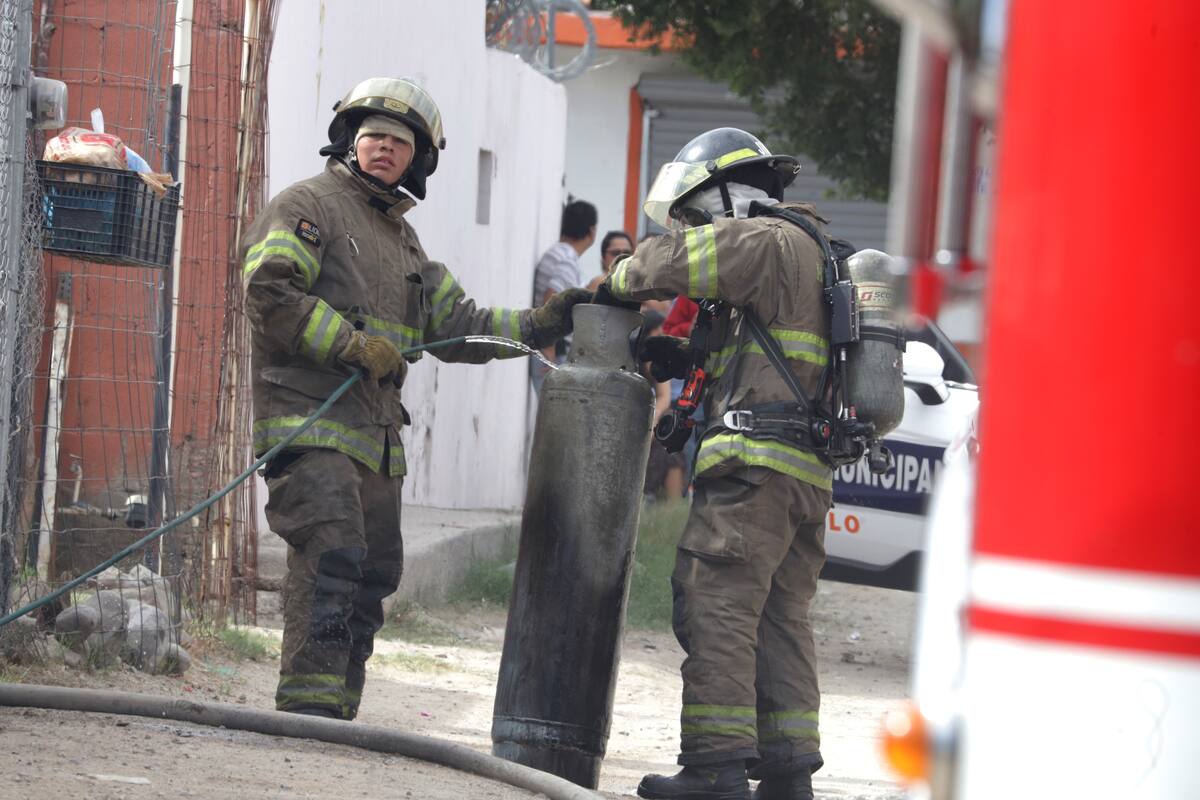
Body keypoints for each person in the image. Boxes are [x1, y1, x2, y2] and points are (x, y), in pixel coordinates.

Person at [242, 77, 589, 721]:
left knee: (375, 572)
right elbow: (269, 292)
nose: (384, 149)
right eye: (373, 135)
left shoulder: (405, 243)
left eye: (399, 143)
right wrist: (350, 346)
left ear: (417, 160)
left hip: (375, 436)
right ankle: (306, 711)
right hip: (310, 423)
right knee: (332, 554)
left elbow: (462, 327)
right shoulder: (308, 206)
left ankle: (338, 708)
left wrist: (548, 321)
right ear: (350, 139)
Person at [595, 127, 833, 800]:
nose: (693, 228)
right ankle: (788, 779)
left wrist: (613, 279)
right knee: (781, 617)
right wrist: (687, 360)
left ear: (723, 197)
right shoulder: (812, 251)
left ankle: (714, 771)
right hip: (804, 474)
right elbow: (766, 356)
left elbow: (656, 266)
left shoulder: (759, 238)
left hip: (753, 466)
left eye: (695, 215)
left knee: (717, 605)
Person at [530, 200, 597, 392]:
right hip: (550, 349)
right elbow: (552, 297)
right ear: (592, 231)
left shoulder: (557, 253)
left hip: (545, 345)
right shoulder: (568, 260)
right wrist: (549, 347)